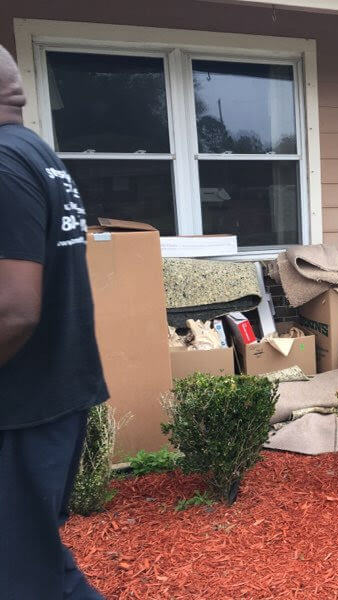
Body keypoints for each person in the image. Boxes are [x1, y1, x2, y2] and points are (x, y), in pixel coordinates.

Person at [0, 45, 108, 599]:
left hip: (20, 407)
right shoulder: (37, 154)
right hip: (52, 395)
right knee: (37, 562)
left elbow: (14, 309)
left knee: (21, 577)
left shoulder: (2, 163)